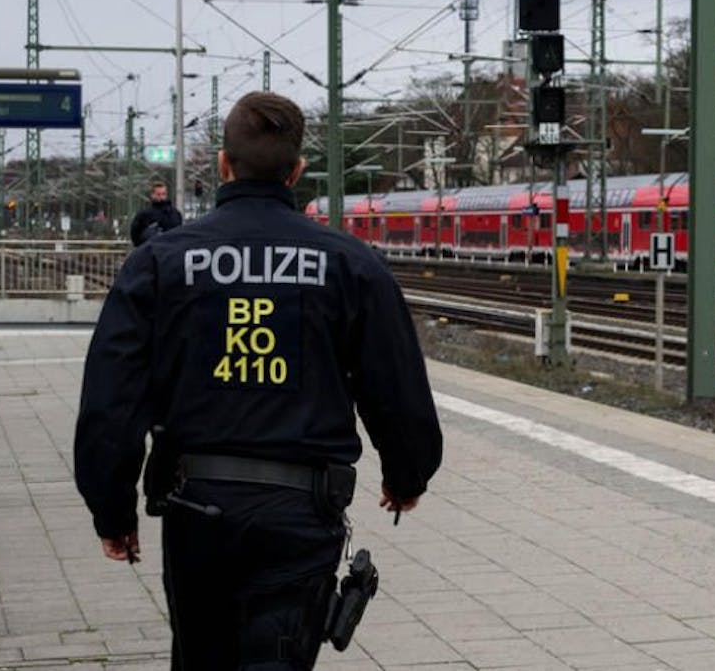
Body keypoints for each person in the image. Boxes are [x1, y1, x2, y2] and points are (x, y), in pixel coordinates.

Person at [75, 91, 443, 670]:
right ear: (297, 171)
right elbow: (393, 382)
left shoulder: (161, 262)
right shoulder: (350, 263)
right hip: (301, 510)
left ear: (223, 165)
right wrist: (407, 472)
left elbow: (112, 399)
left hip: (197, 507)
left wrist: (111, 510)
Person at [130, 179, 183, 246]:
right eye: (158, 194)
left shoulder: (174, 214)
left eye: (163, 194)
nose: (161, 197)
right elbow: (135, 234)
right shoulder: (144, 215)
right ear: (152, 195)